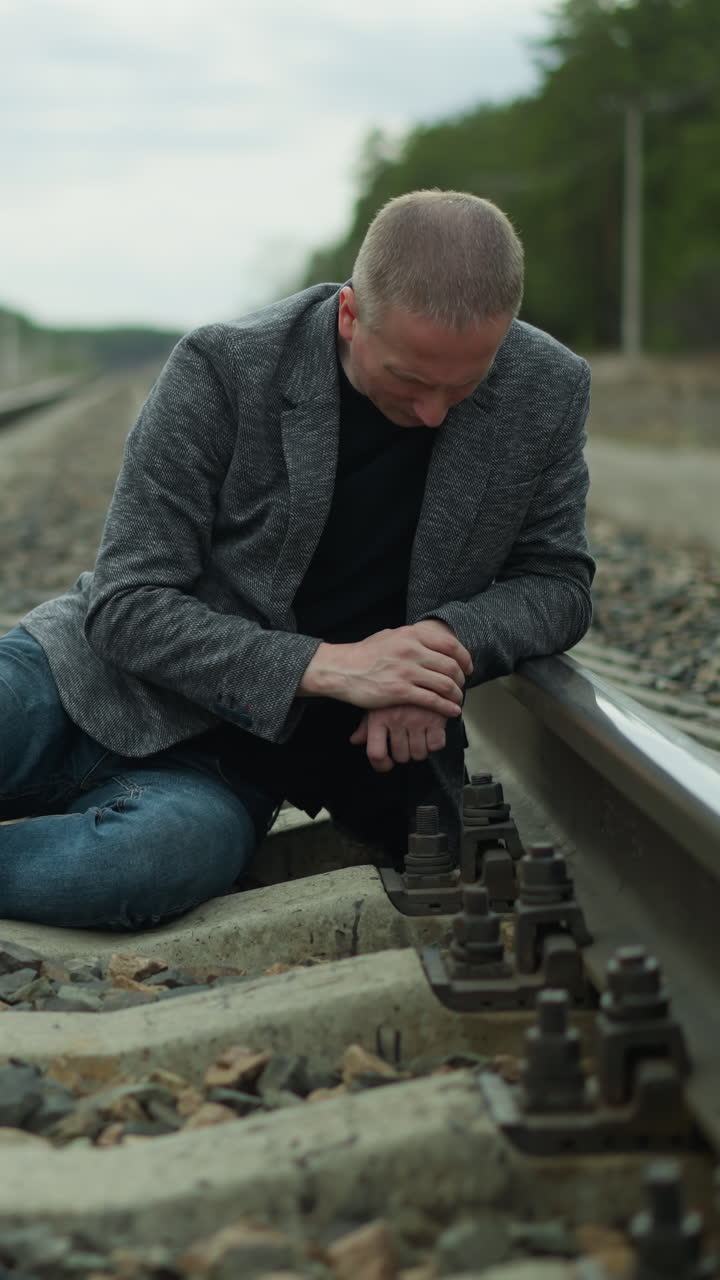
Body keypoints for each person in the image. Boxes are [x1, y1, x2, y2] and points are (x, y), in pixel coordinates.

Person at [0, 190, 594, 930]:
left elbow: (558, 582)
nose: (435, 412)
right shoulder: (226, 366)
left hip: (222, 773)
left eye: (466, 385)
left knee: (143, 867)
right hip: (74, 683)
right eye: (411, 380)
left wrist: (435, 651)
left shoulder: (548, 388)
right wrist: (336, 668)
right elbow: (127, 603)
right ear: (350, 314)